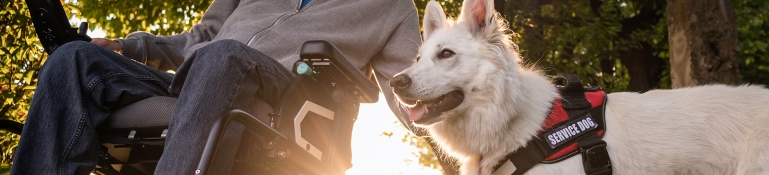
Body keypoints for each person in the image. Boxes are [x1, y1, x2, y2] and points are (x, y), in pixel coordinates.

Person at [11, 0, 421, 174]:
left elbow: (414, 88)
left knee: (223, 56)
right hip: (196, 79)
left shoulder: (393, 7)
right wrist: (125, 45)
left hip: (284, 100)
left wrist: (451, 108)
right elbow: (201, 36)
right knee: (72, 59)